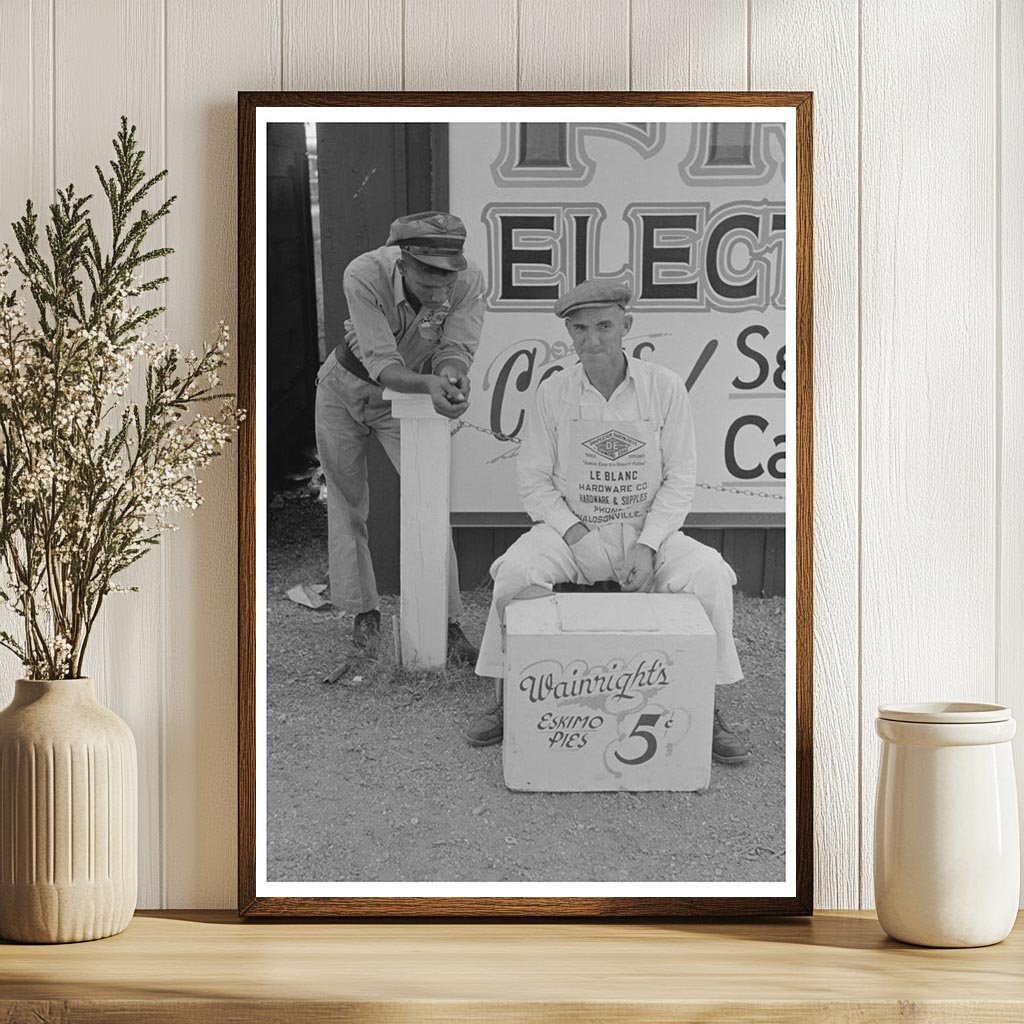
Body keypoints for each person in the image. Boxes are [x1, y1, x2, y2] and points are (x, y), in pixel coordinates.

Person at [464, 277, 750, 763]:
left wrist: (650, 544)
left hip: (647, 535)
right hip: (571, 533)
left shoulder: (664, 387)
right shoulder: (554, 393)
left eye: (603, 326)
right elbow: (534, 480)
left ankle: (708, 704)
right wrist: (576, 535)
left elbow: (681, 478)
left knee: (708, 573)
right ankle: (505, 697)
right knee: (516, 571)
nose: (592, 340)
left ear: (626, 326)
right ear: (569, 335)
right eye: (579, 329)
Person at [315, 211, 483, 662]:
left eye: (448, 280)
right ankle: (363, 613)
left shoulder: (470, 282)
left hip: (405, 398)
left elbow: (457, 347)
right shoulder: (364, 273)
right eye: (428, 283)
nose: (440, 292)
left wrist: (452, 376)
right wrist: (430, 385)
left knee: (430, 498)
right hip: (344, 387)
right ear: (401, 260)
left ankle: (446, 623)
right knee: (347, 501)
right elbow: (380, 363)